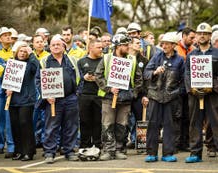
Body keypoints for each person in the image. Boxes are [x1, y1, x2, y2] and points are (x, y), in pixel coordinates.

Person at [95, 33, 143, 161]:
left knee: (122, 125)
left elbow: (139, 79)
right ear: (118, 46)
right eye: (125, 45)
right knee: (107, 124)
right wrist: (109, 88)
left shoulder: (132, 60)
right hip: (108, 98)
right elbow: (98, 76)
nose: (128, 47)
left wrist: (133, 93)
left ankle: (119, 149)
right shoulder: (106, 59)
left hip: (126, 99)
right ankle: (108, 150)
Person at [36, 35, 80, 164]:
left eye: (58, 44)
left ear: (63, 47)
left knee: (71, 126)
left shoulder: (72, 60)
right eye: (53, 45)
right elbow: (38, 81)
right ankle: (49, 152)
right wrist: (47, 95)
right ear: (49, 47)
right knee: (51, 127)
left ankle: (70, 151)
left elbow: (80, 78)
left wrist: (77, 93)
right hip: (53, 100)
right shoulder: (44, 61)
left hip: (71, 98)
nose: (56, 46)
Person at [143, 32, 184, 162]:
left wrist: (177, 93)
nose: (164, 46)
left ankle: (168, 153)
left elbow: (183, 80)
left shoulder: (180, 60)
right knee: (152, 125)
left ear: (173, 45)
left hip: (171, 98)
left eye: (167, 44)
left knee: (170, 126)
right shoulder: (156, 57)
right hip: (155, 96)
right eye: (163, 43)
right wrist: (155, 72)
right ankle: (151, 153)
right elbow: (146, 73)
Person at [185, 22, 218, 163]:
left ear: (210, 36)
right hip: (195, 94)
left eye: (205, 33)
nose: (202, 35)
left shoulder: (217, 53)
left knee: (216, 122)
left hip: (213, 94)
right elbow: (187, 73)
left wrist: (213, 86)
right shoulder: (191, 54)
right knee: (194, 123)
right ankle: (195, 153)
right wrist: (191, 88)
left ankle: (215, 149)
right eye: (200, 33)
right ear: (196, 36)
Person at [6, 42, 38, 161]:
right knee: (15, 126)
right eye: (21, 51)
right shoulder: (11, 64)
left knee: (25, 124)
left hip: (26, 100)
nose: (23, 53)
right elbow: (6, 78)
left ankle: (28, 151)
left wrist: (32, 54)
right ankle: (19, 150)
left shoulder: (30, 64)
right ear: (17, 52)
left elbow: (37, 68)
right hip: (13, 100)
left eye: (25, 52)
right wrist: (7, 89)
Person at [77, 39, 103, 149]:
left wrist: (97, 79)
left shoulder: (104, 60)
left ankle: (97, 143)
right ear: (91, 48)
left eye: (102, 47)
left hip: (99, 95)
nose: (101, 49)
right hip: (84, 95)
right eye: (98, 47)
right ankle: (84, 144)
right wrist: (84, 77)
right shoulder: (81, 61)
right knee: (84, 121)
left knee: (98, 121)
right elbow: (77, 78)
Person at [0, 27, 15, 158]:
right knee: (0, 118)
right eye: (5, 35)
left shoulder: (15, 51)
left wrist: (5, 65)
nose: (8, 37)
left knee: (11, 118)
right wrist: (9, 66)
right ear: (0, 38)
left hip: (13, 88)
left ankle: (11, 145)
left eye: (9, 35)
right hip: (0, 89)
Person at [175, 27, 196, 152]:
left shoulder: (193, 50)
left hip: (190, 88)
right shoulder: (176, 49)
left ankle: (185, 142)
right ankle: (176, 143)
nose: (193, 40)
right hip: (177, 88)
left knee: (188, 117)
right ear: (184, 36)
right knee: (177, 116)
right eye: (191, 37)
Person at [32, 34, 50, 148]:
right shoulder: (29, 55)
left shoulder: (48, 56)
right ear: (33, 44)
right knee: (33, 118)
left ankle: (44, 140)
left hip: (46, 90)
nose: (39, 43)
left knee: (45, 118)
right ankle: (33, 140)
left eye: (41, 41)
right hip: (32, 91)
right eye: (37, 42)